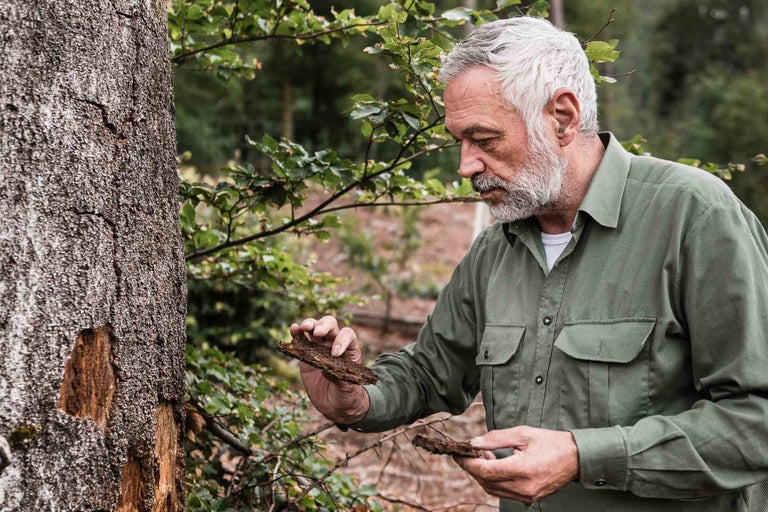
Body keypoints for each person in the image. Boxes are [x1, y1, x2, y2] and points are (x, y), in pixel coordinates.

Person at [290, 16, 768, 511]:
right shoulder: (496, 248)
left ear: (562, 117)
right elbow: (429, 374)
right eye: (459, 140)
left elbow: (757, 421)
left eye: (484, 139)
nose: (466, 165)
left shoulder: (694, 217)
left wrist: (584, 456)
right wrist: (356, 397)